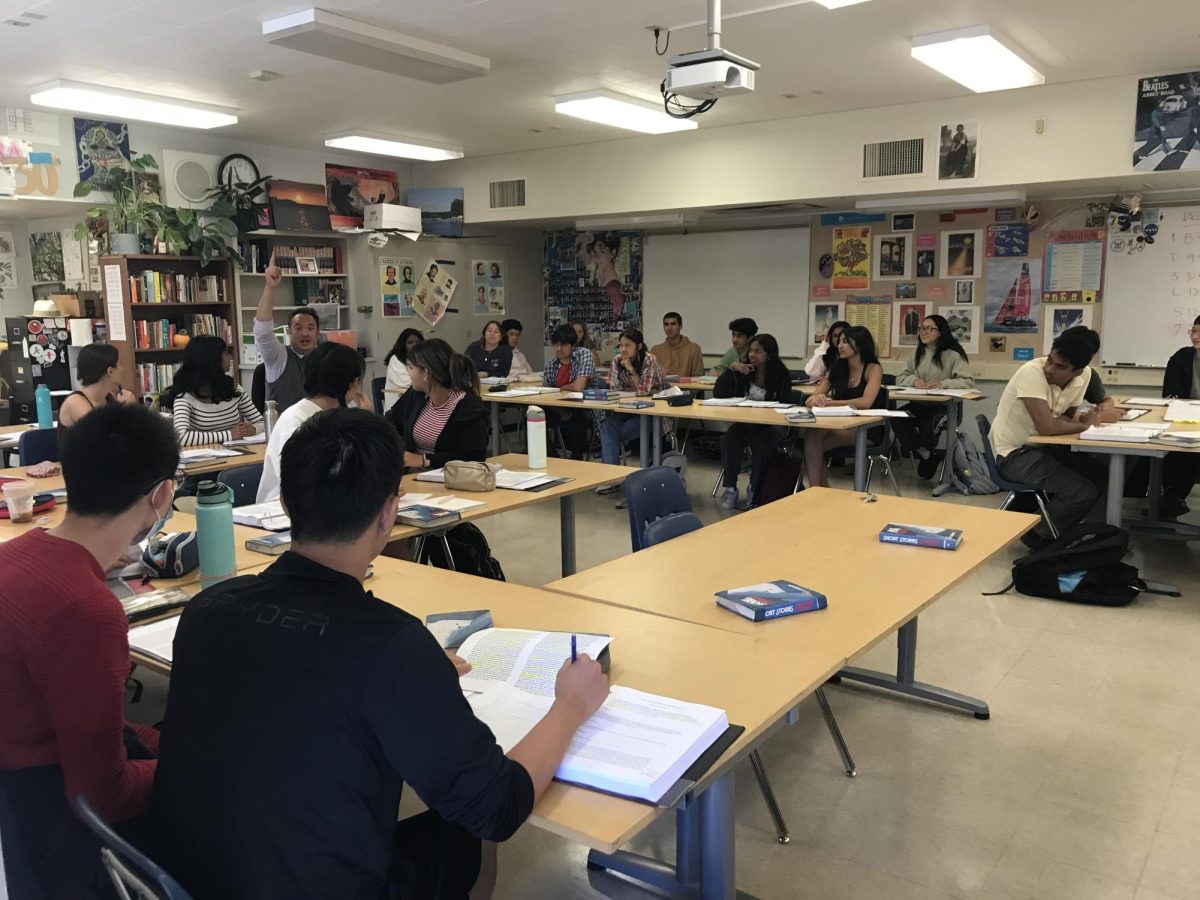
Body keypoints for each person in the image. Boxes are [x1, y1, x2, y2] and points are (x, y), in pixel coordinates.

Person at [151, 408, 610, 900]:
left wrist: (418, 674)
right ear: (390, 512)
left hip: (183, 877)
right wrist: (570, 705)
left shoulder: (206, 609)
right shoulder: (392, 647)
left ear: (284, 503)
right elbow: (496, 807)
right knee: (472, 832)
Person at [0, 404, 178, 898]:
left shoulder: (14, 555)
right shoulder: (86, 609)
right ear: (162, 494)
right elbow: (103, 794)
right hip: (49, 826)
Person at [992, 328, 1108, 549]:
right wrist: (1086, 424)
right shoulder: (1031, 373)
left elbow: (1064, 419)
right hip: (1015, 453)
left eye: (1060, 367)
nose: (1049, 369)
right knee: (1083, 492)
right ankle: (1038, 534)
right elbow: (1047, 426)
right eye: (1050, 360)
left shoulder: (1084, 377)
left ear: (1077, 371)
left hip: (1045, 448)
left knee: (1103, 474)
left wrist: (1081, 420)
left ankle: (1092, 533)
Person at [257, 342, 365, 503]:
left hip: (330, 504)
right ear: (353, 384)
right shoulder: (296, 420)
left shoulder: (341, 413)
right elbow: (305, 483)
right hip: (284, 512)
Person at [714, 333, 795, 510]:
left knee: (760, 443)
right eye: (751, 350)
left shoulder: (781, 374)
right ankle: (730, 487)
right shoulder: (746, 372)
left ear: (769, 354)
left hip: (773, 425)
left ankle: (755, 487)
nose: (752, 355)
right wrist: (732, 370)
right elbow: (719, 393)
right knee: (729, 439)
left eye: (758, 351)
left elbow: (785, 404)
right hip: (747, 422)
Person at [892, 315, 976, 479]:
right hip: (919, 404)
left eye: (929, 328)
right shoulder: (916, 353)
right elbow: (901, 378)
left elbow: (968, 381)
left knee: (927, 428)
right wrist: (914, 381)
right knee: (896, 418)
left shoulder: (953, 354)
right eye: (921, 328)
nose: (923, 332)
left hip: (944, 407)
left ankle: (932, 456)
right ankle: (926, 454)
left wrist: (943, 384)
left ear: (940, 331)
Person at [803, 325, 885, 489]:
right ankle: (817, 490)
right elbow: (811, 399)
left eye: (846, 342)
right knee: (812, 437)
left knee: (813, 446)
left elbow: (865, 402)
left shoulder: (873, 368)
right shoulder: (837, 368)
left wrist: (828, 403)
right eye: (839, 341)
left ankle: (818, 490)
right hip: (839, 423)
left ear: (860, 345)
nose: (839, 346)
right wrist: (816, 399)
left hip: (865, 427)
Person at [387, 338, 488, 472]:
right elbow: (391, 424)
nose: (409, 373)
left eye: (411, 367)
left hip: (448, 480)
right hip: (412, 476)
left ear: (426, 373)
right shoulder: (416, 394)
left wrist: (425, 460)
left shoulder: (468, 408)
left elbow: (473, 458)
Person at [162, 335, 263, 447]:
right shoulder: (185, 396)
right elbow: (181, 437)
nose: (230, 357)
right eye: (225, 353)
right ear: (212, 359)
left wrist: (254, 429)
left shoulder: (232, 387)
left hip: (238, 453)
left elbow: (262, 422)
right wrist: (229, 435)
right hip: (205, 459)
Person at [596, 329, 667, 486]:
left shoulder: (650, 359)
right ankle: (611, 478)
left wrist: (630, 369)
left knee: (617, 432)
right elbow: (614, 389)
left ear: (639, 346)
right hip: (626, 408)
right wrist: (634, 390)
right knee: (607, 427)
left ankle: (642, 479)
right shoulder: (616, 360)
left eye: (628, 345)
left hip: (652, 412)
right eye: (620, 345)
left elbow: (643, 391)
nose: (623, 349)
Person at [255, 254, 321, 413]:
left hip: (320, 430)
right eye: (298, 328)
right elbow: (262, 332)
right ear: (289, 332)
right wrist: (270, 287)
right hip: (287, 433)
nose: (305, 333)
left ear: (318, 334)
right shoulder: (278, 357)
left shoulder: (325, 359)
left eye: (310, 328)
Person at [56, 342, 137, 454]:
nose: (122, 369)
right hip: (81, 467)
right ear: (110, 371)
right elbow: (103, 439)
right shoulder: (76, 402)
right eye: (120, 364)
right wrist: (122, 409)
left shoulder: (109, 398)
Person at [1158, 314, 1200, 516]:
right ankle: (1172, 496)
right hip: (1187, 420)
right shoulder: (1181, 358)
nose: (1196, 336)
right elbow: (1170, 396)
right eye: (1194, 330)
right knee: (1178, 448)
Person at [542, 324, 596, 460]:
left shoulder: (584, 354)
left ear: (573, 346)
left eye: (564, 345)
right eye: (556, 345)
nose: (559, 349)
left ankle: (577, 459)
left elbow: (578, 387)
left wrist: (558, 389)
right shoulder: (551, 365)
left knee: (576, 418)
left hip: (584, 406)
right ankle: (552, 457)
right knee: (532, 416)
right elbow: (545, 394)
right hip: (559, 408)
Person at [650, 311, 704, 377]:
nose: (669, 328)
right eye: (666, 324)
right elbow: (650, 376)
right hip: (664, 387)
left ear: (680, 326)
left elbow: (698, 377)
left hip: (686, 387)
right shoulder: (656, 350)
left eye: (673, 324)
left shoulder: (694, 348)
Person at [383, 327, 424, 412]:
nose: (414, 345)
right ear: (403, 345)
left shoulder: (421, 359)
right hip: (396, 410)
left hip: (415, 404)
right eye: (410, 342)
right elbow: (407, 383)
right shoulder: (395, 359)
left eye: (417, 342)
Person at [587, 233, 624, 317]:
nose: (597, 256)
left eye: (602, 251)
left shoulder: (613, 287)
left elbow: (614, 316)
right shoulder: (598, 282)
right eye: (595, 252)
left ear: (612, 253)